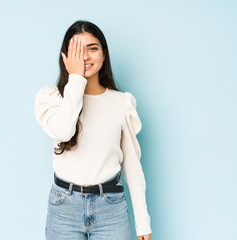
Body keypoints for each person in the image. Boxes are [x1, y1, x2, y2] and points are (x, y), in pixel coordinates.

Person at [33, 20, 152, 240]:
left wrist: (143, 222)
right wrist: (76, 79)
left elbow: (132, 168)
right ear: (65, 58)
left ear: (104, 55)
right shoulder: (52, 98)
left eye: (92, 49)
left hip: (111, 207)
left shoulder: (121, 102)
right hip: (64, 207)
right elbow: (64, 131)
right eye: (77, 50)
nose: (85, 57)